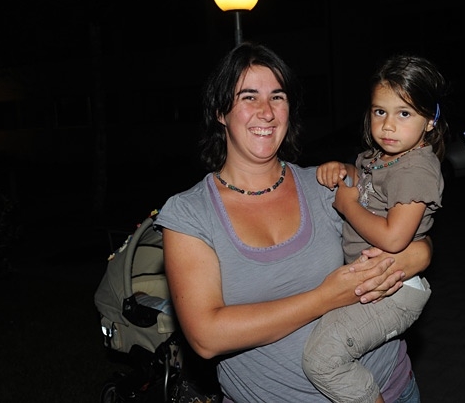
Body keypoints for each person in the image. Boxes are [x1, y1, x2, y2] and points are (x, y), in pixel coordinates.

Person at [154, 42, 432, 403]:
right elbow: (206, 337)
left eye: (278, 97)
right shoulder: (190, 213)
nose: (266, 112)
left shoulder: (327, 184)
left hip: (390, 388)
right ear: (220, 111)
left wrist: (421, 253)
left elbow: (411, 232)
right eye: (249, 97)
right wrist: (325, 297)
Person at [302, 54, 448, 403]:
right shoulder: (378, 156)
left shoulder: (416, 169)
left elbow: (394, 238)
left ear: (430, 120)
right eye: (380, 111)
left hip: (397, 291)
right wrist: (344, 171)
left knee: (322, 358)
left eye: (404, 113)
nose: (388, 126)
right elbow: (367, 183)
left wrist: (348, 205)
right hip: (377, 282)